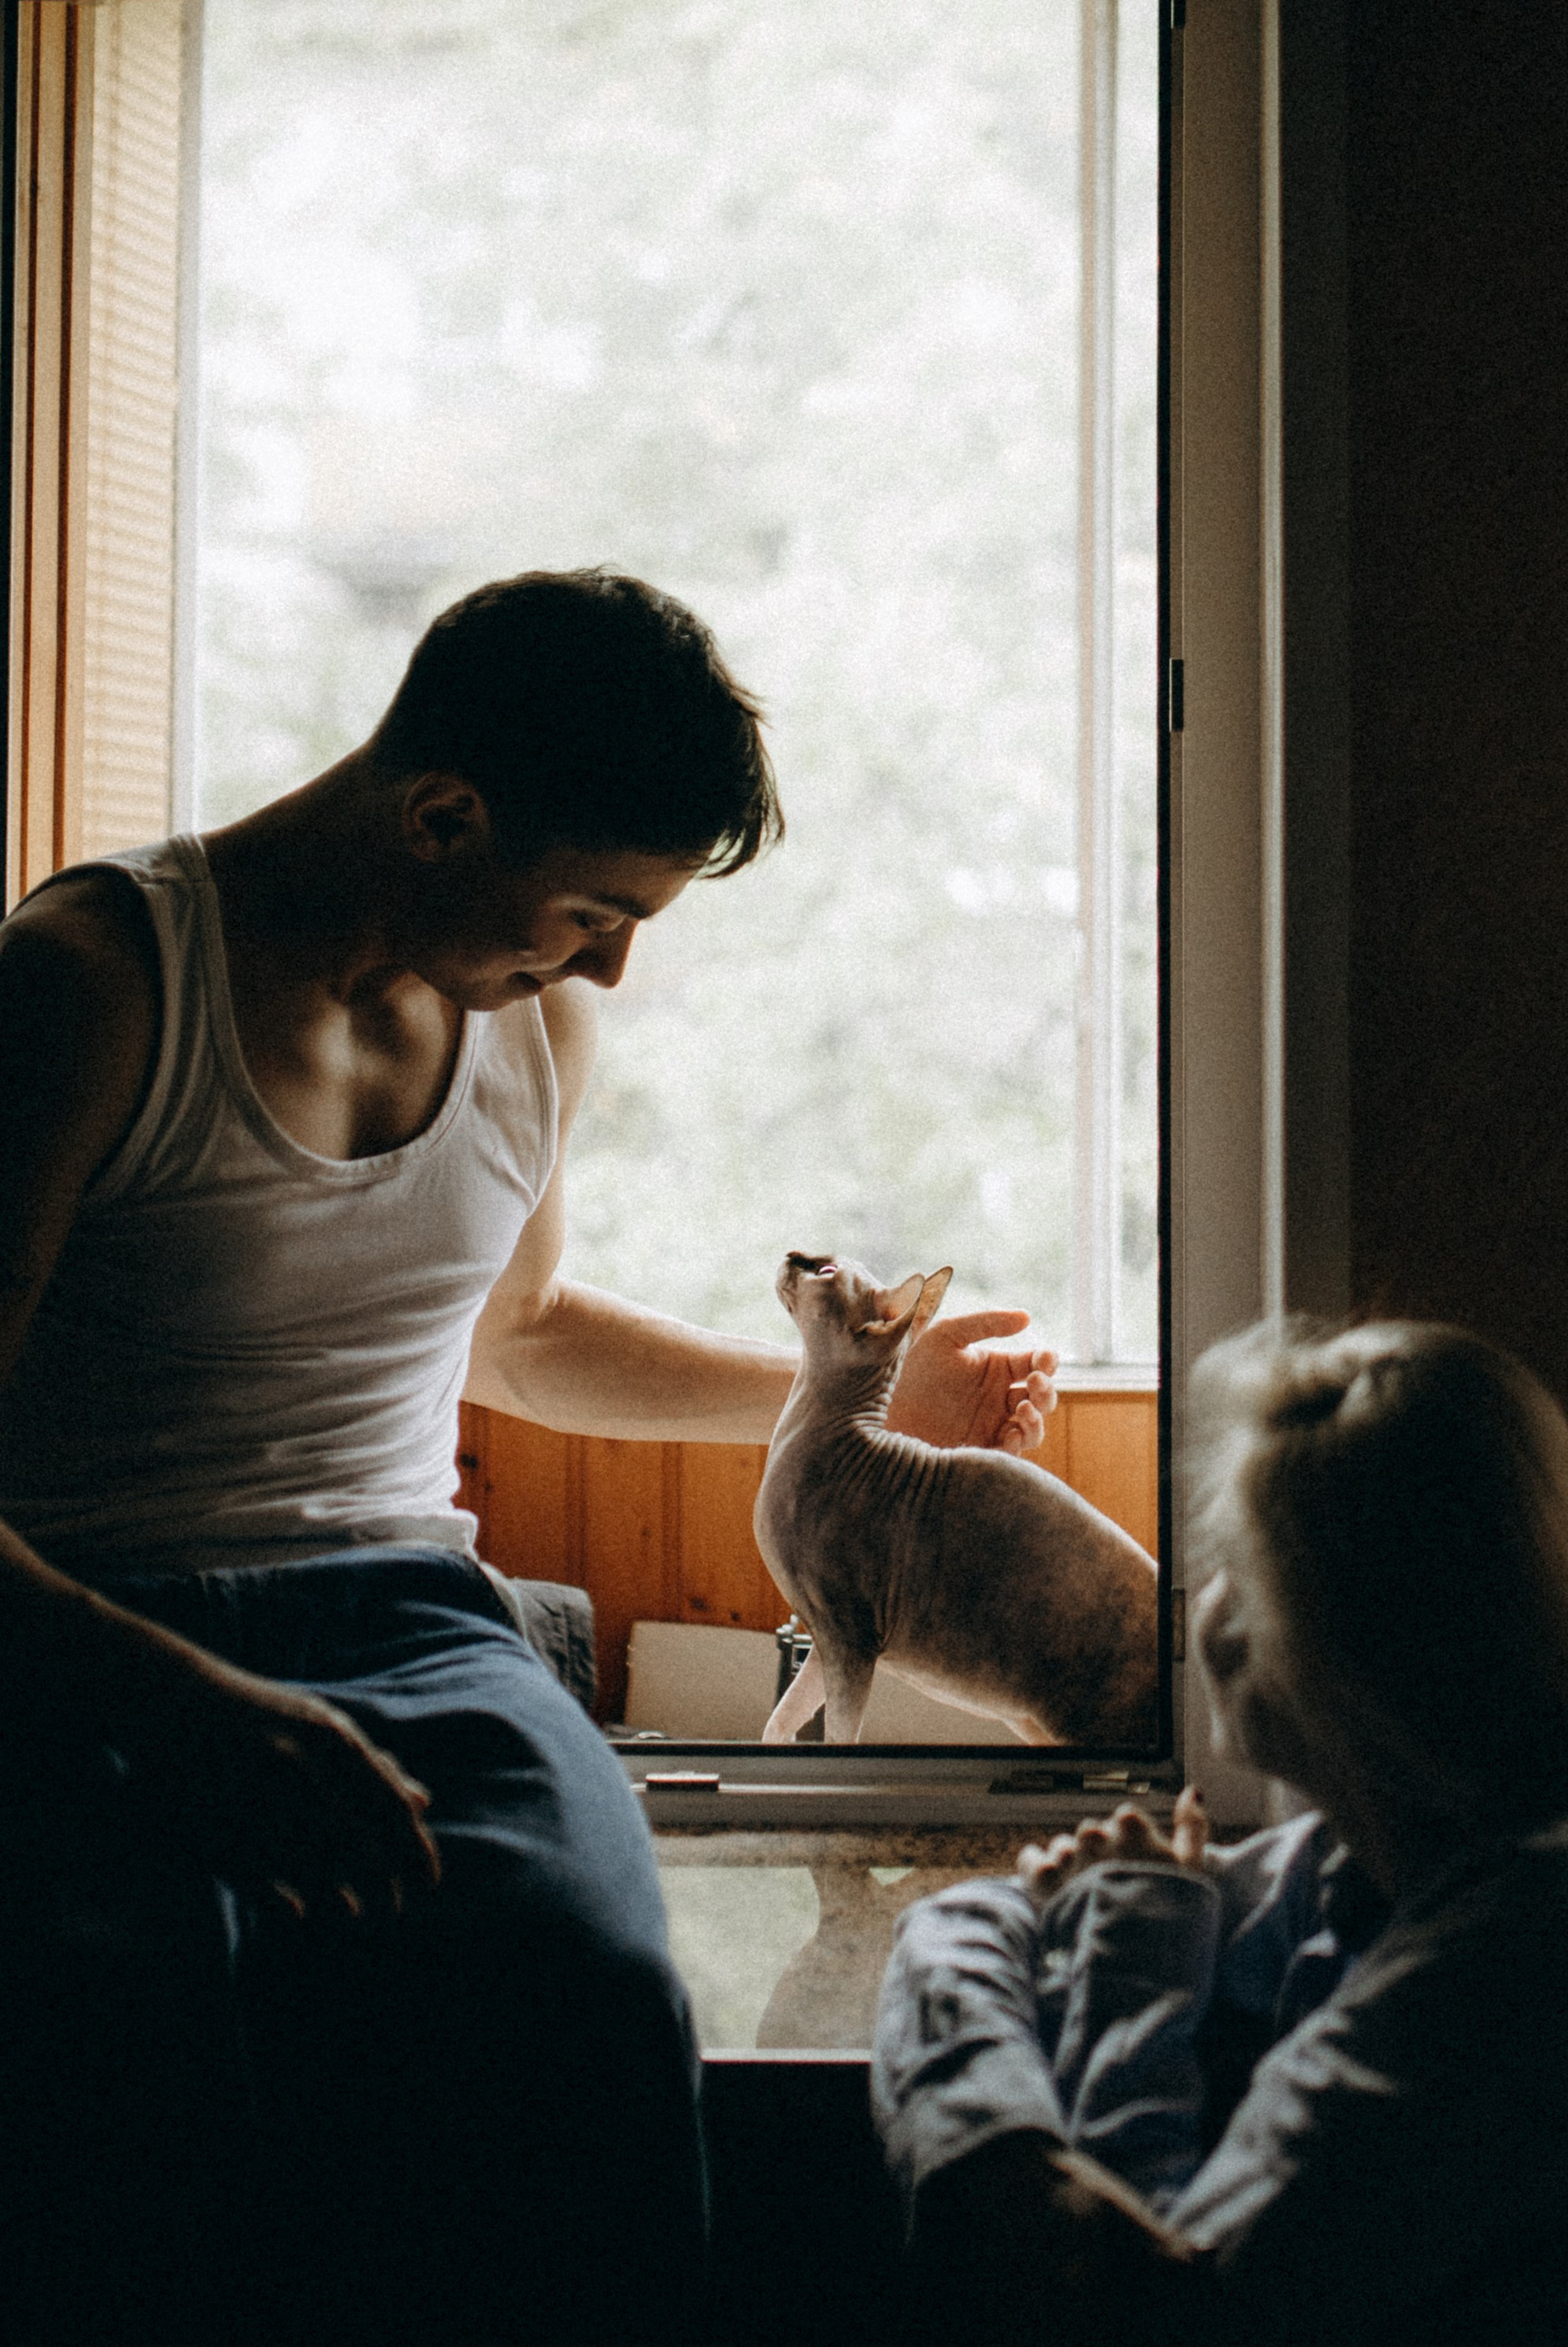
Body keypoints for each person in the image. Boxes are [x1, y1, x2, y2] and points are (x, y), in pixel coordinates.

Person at [0, 568, 1056, 2347]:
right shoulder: (95, 982)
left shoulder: (531, 1025)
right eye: (587, 909)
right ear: (438, 814)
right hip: (83, 1620)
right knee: (137, 2052)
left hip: (408, 1621)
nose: (612, 965)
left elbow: (526, 1339)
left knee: (586, 1994)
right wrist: (174, 1700)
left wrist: (860, 1406)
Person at [872, 1318, 1568, 2347]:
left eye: (1237, 1567)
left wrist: (1123, 1973)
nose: (1203, 1611)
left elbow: (1146, 2315)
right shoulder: (1383, 1854)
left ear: (1356, 1635)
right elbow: (993, 1919)